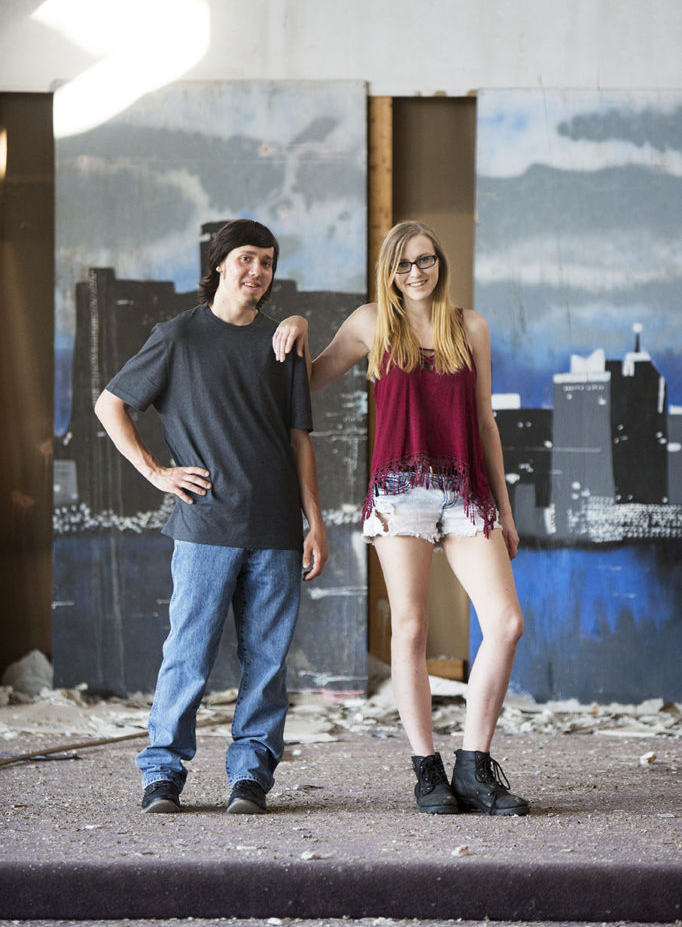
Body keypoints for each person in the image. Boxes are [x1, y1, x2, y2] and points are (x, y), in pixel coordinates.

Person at [273, 220, 529, 817]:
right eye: (404, 264)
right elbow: (305, 379)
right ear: (389, 272)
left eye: (426, 260)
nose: (416, 272)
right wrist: (302, 326)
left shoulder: (471, 326)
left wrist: (506, 511)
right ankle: (427, 772)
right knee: (410, 630)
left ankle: (473, 766)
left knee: (507, 623)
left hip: (465, 489)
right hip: (400, 492)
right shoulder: (372, 323)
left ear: (440, 263)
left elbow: (486, 422)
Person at [95, 218, 327, 816]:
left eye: (268, 261)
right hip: (204, 527)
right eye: (247, 258)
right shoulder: (177, 336)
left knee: (267, 661)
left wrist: (316, 523)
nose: (258, 271)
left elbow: (300, 440)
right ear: (220, 263)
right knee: (188, 653)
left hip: (276, 528)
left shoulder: (284, 343)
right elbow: (110, 404)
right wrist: (156, 473)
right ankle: (163, 774)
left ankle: (250, 776)